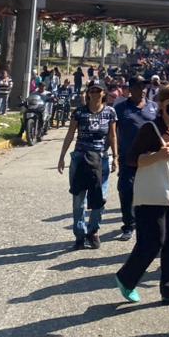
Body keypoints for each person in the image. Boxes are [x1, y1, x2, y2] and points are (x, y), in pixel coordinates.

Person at [115, 83, 169, 305]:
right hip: (154, 190)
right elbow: (131, 159)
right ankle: (126, 278)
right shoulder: (152, 128)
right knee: (153, 240)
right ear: (161, 104)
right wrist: (157, 155)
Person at [57, 80, 118, 250]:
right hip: (80, 157)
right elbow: (70, 134)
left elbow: (112, 136)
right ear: (88, 93)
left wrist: (116, 157)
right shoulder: (79, 112)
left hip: (102, 158)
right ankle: (79, 233)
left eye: (98, 91)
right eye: (92, 90)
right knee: (79, 198)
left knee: (100, 197)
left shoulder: (110, 112)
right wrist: (62, 156)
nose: (95, 94)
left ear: (104, 94)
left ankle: (93, 231)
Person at [114, 77, 159, 241]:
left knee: (150, 192)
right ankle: (128, 225)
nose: (143, 89)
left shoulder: (154, 107)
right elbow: (112, 131)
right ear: (131, 88)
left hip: (151, 157)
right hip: (128, 157)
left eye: (144, 85)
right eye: (139, 86)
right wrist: (111, 152)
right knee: (126, 190)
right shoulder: (120, 108)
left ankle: (148, 224)